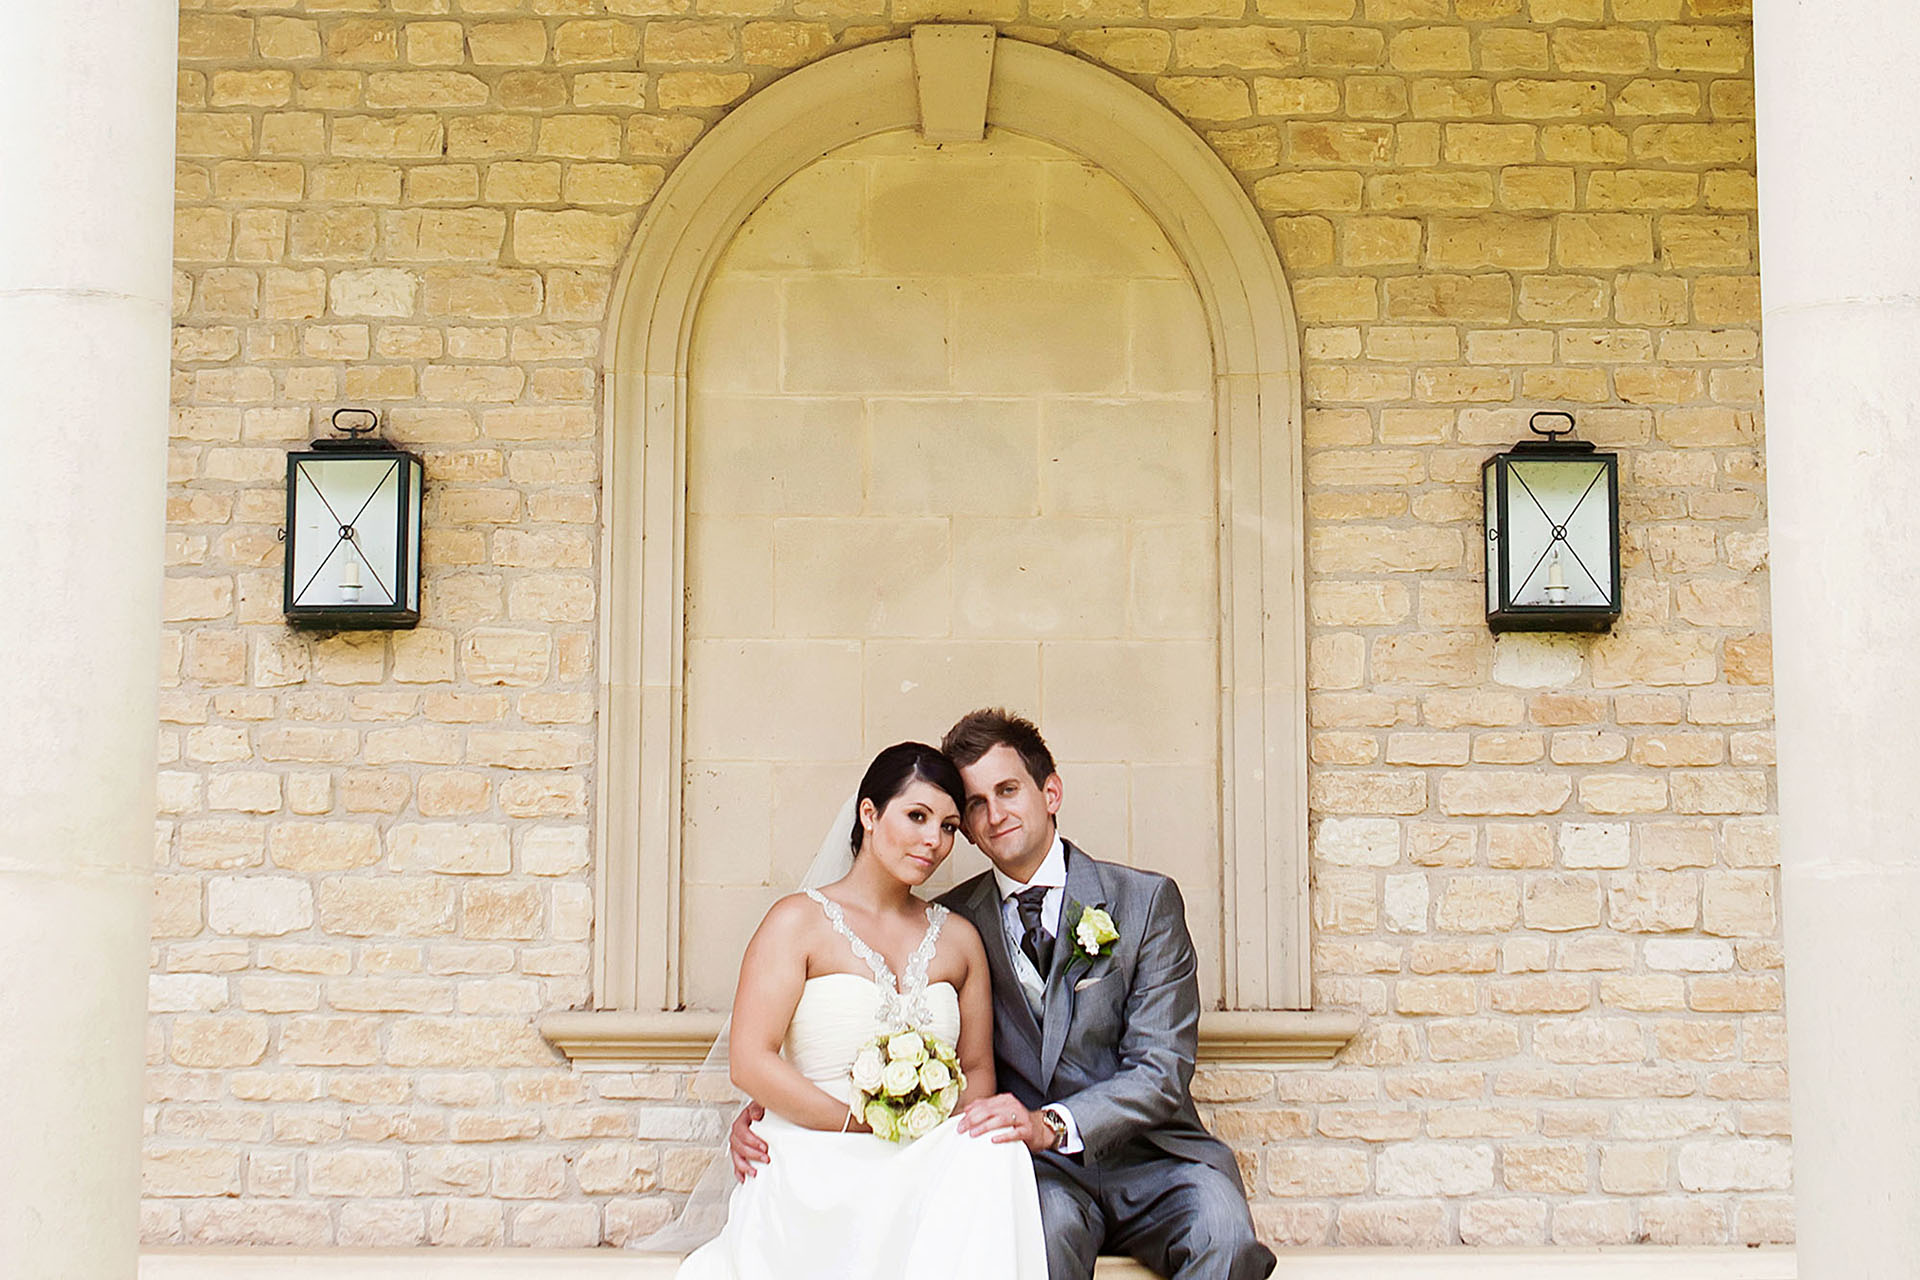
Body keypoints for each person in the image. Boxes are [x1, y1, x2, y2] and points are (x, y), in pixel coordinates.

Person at [733, 710, 1274, 1280]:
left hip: (1158, 1160)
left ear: (1051, 792)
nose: (994, 815)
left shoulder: (1144, 902)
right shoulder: (951, 923)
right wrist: (774, 1115)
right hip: (1037, 1172)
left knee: (1225, 1239)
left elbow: (1161, 1071)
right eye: (975, 804)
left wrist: (1051, 1124)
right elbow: (847, 1037)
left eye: (1008, 790)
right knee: (1037, 1243)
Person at [678, 741, 1046, 1280]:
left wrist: (924, 1129)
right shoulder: (796, 922)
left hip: (925, 1151)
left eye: (948, 826)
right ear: (869, 814)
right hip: (818, 1150)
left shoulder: (960, 938)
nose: (934, 840)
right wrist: (862, 1126)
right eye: (917, 816)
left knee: (997, 1152)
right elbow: (751, 1061)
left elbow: (977, 1071)